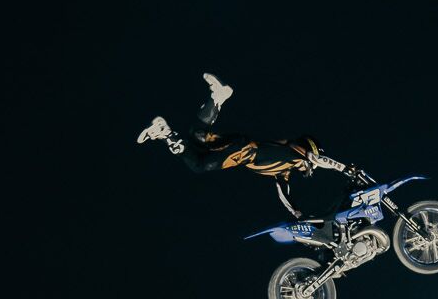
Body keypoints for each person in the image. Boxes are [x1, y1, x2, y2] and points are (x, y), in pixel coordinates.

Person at [136, 74, 351, 218]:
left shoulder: (284, 169)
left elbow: (283, 192)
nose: (309, 168)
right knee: (201, 165)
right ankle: (165, 133)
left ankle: (215, 99)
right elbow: (316, 159)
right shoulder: (297, 155)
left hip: (241, 145)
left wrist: (296, 212)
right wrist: (346, 169)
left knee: (198, 135)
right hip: (244, 151)